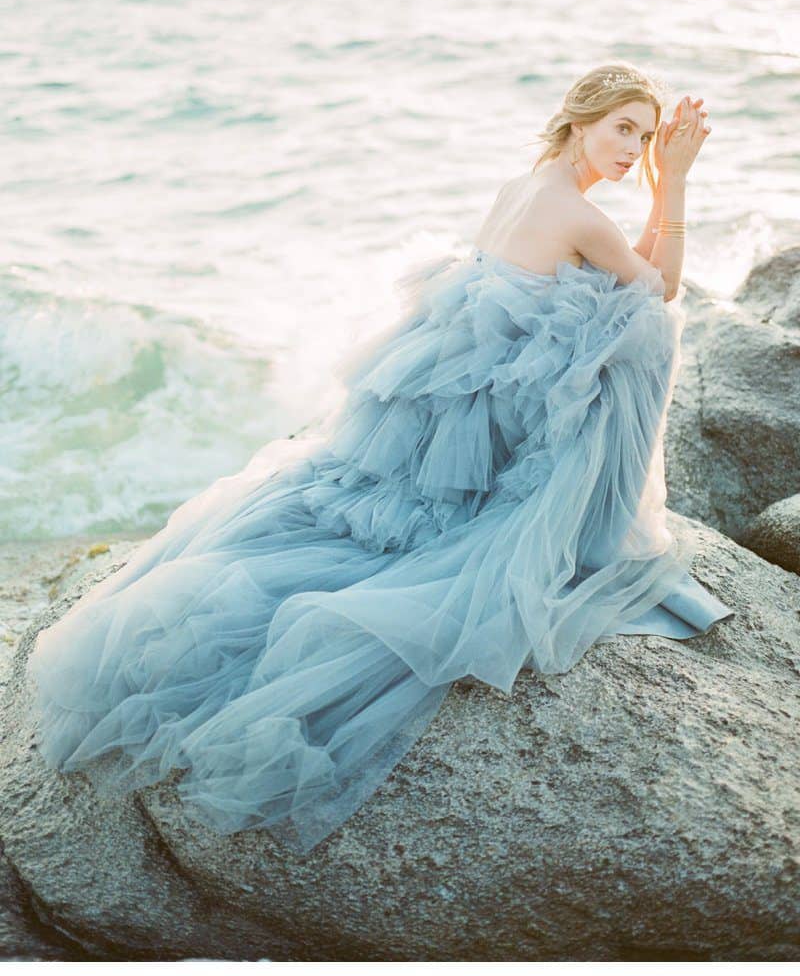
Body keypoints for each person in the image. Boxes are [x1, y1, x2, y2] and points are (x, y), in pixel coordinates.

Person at [27, 62, 734, 857]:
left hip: (457, 410)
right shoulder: (578, 214)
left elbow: (619, 279)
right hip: (488, 418)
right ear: (581, 122)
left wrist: (649, 193)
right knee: (649, 334)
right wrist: (673, 183)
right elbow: (660, 288)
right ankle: (589, 519)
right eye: (623, 131)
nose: (632, 149)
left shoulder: (527, 187)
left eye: (645, 138)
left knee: (622, 322)